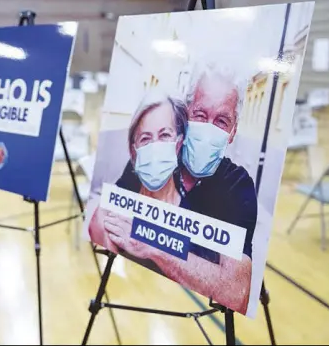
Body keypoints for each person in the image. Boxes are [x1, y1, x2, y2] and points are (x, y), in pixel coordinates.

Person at [95, 64, 257, 314]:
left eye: (222, 121)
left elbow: (236, 290)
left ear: (233, 131)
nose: (208, 129)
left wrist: (153, 245)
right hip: (138, 295)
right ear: (185, 115)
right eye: (200, 115)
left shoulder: (237, 186)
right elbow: (104, 217)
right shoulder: (156, 159)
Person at [88, 90, 187, 273]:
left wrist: (152, 250)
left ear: (179, 143)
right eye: (145, 138)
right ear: (134, 151)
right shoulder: (131, 179)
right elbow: (98, 219)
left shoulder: (193, 204)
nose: (154, 147)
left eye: (165, 135)